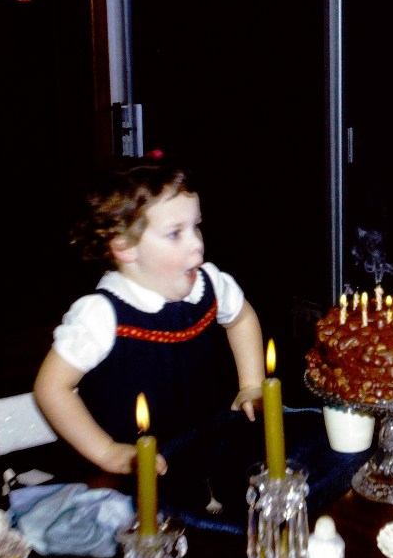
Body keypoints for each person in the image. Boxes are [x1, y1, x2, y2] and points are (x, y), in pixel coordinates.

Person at [33, 156, 266, 486]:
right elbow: (51, 388)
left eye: (196, 226)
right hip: (132, 476)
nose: (197, 243)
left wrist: (251, 384)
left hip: (201, 451)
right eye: (175, 234)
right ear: (124, 245)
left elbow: (241, 318)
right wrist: (106, 451)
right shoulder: (102, 315)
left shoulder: (210, 283)